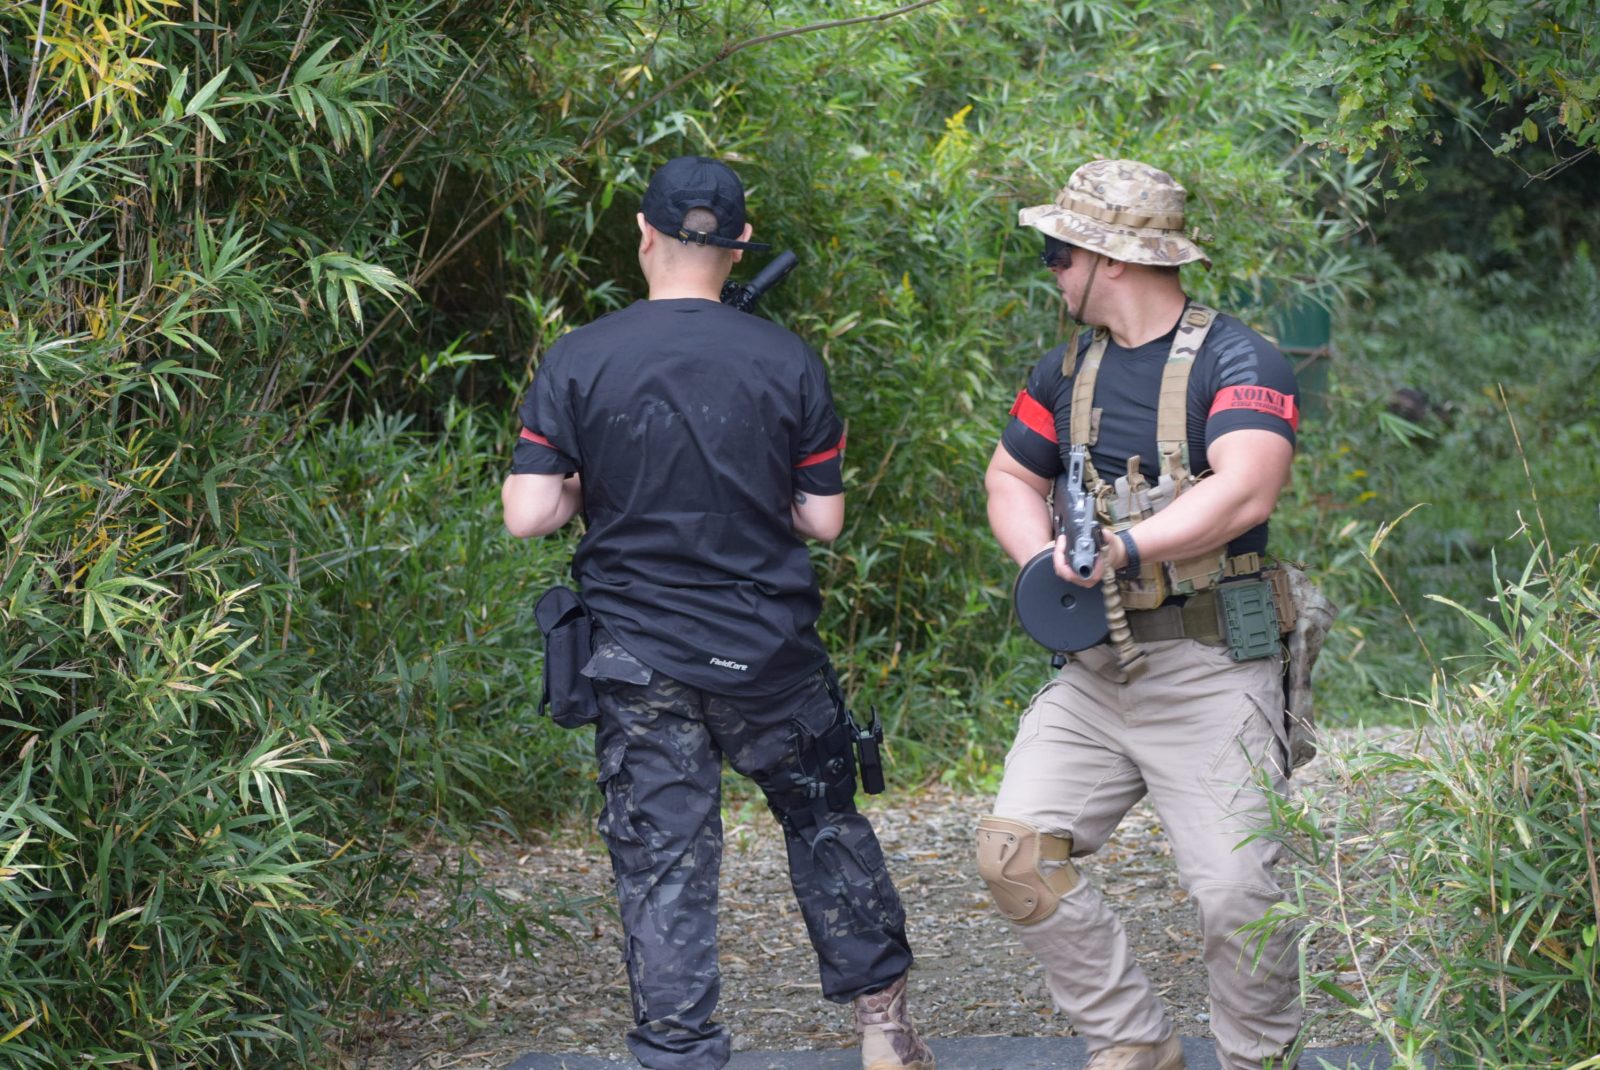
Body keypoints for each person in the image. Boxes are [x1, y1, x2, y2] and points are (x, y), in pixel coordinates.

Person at [501, 155, 935, 1070]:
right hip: (769, 650)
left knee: (661, 858)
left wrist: (590, 488)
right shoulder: (788, 359)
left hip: (639, 654)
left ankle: (680, 1053)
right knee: (824, 822)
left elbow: (529, 513)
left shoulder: (580, 356)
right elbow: (822, 518)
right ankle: (885, 1035)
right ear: (740, 245)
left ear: (644, 234)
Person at [977, 159, 1304, 1070]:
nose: (1051, 270)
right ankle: (1134, 1042)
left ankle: (1256, 1059)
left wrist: (1122, 548)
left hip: (1210, 669)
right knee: (1013, 855)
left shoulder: (1240, 360)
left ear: (1110, 258)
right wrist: (1042, 560)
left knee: (1239, 893)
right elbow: (1010, 478)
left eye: (1059, 252)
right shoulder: (1064, 371)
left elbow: (1246, 489)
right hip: (1096, 675)